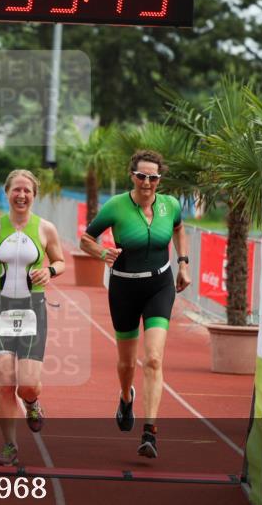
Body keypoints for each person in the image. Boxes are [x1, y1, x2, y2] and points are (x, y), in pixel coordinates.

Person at [79, 149, 190, 458]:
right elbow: (86, 239)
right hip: (125, 288)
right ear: (132, 175)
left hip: (159, 285)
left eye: (153, 177)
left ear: (159, 179)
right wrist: (102, 253)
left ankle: (150, 431)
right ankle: (126, 397)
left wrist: (183, 263)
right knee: (127, 363)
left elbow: (180, 229)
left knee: (153, 358)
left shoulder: (170, 206)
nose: (147, 182)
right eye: (141, 176)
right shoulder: (116, 206)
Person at [0, 170, 66, 466]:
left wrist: (48, 271)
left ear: (34, 195)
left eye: (27, 191)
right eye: (16, 190)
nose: (21, 195)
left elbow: (60, 261)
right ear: (7, 192)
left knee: (27, 385)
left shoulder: (46, 229)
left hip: (32, 308)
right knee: (4, 383)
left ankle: (33, 402)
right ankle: (9, 445)